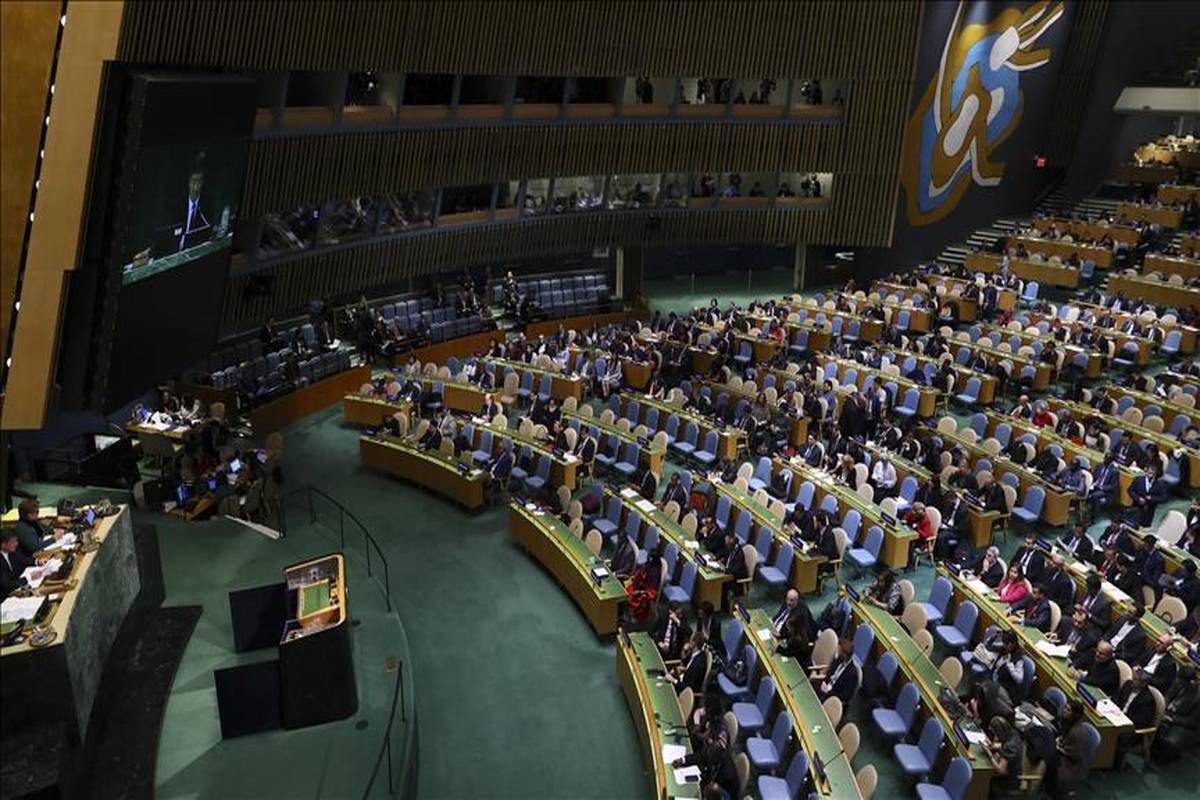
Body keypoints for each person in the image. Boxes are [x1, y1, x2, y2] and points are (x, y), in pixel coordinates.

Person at [1153, 667, 1200, 763]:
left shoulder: (1197, 697)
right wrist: (1163, 707)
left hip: (1181, 723)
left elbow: (1192, 722)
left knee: (1168, 742)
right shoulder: (1179, 681)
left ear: (1191, 682)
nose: (1178, 683)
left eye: (1181, 682)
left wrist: (1171, 719)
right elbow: (1167, 696)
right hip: (1167, 712)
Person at [1054, 699, 1092, 795]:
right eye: (1065, 708)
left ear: (1075, 715)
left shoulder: (1076, 733)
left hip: (1072, 764)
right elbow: (1064, 737)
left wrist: (1059, 748)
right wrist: (1060, 740)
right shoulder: (1069, 723)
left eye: (1068, 710)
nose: (1064, 711)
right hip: (1066, 753)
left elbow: (1075, 755)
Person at [986, 716, 1025, 795]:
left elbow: (1001, 770)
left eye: (995, 733)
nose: (994, 736)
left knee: (983, 778)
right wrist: (994, 746)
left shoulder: (1010, 747)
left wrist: (989, 754)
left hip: (1008, 782)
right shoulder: (1013, 734)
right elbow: (1003, 745)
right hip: (1012, 773)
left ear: (1000, 732)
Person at [816, 634, 860, 703]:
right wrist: (824, 682)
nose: (837, 652)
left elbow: (844, 696)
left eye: (839, 651)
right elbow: (829, 673)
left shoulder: (853, 675)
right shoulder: (839, 659)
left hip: (832, 698)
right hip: (825, 688)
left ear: (844, 655)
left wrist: (828, 692)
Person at [1, 530, 36, 599]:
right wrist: (28, 577)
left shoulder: (12, 551)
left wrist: (37, 562)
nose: (16, 544)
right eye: (13, 542)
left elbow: (23, 560)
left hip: (17, 589)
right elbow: (7, 586)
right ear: (3, 544)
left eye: (16, 541)